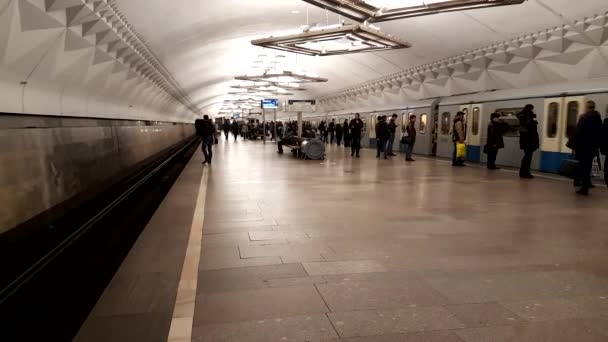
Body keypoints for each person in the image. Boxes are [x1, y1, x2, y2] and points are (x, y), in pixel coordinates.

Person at [571, 101, 603, 195]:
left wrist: (574, 146)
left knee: (582, 166)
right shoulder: (598, 118)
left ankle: (583, 187)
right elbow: (599, 133)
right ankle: (586, 184)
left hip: (582, 147)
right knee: (588, 167)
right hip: (592, 147)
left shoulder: (584, 117)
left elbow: (578, 133)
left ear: (587, 107)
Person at [517, 104, 540, 178]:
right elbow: (532, 128)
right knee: (528, 157)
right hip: (530, 140)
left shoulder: (521, 116)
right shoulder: (529, 116)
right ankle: (525, 173)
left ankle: (523, 172)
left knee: (527, 157)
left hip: (525, 140)